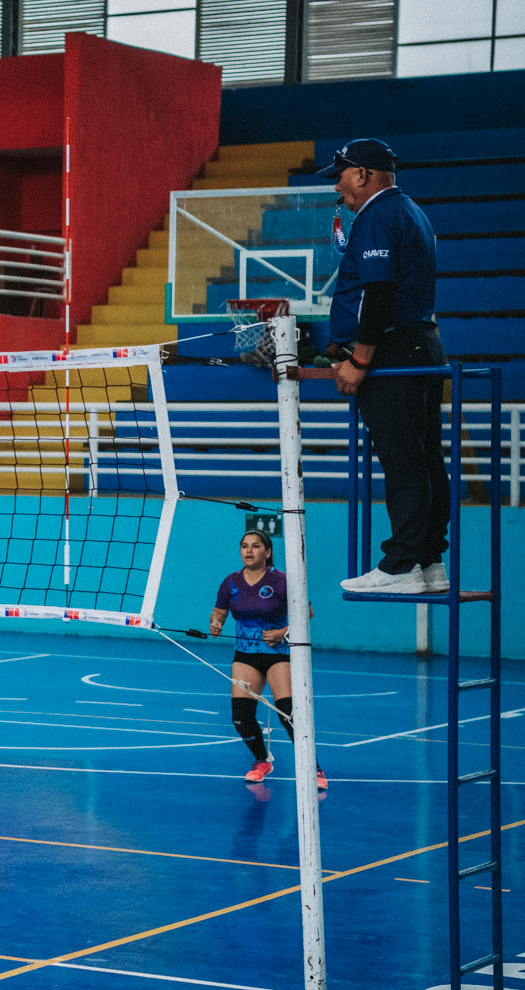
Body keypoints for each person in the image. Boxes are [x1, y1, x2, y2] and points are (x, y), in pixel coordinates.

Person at [322, 138, 450, 595]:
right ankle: (430, 561)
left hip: (394, 353)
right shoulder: (411, 210)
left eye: (340, 175)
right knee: (425, 458)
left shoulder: (378, 216)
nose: (337, 186)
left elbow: (378, 293)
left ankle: (400, 565)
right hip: (421, 346)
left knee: (403, 462)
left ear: (362, 174)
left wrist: (359, 359)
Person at [209, 530, 325, 791]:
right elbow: (219, 611)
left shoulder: (282, 580)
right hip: (245, 654)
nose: (249, 551)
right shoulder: (231, 582)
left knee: (289, 714)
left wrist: (283, 632)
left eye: (255, 546)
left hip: (277, 654)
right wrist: (216, 623)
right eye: (244, 546)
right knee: (240, 716)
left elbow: (307, 612)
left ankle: (314, 767)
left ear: (268, 552)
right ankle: (262, 760)